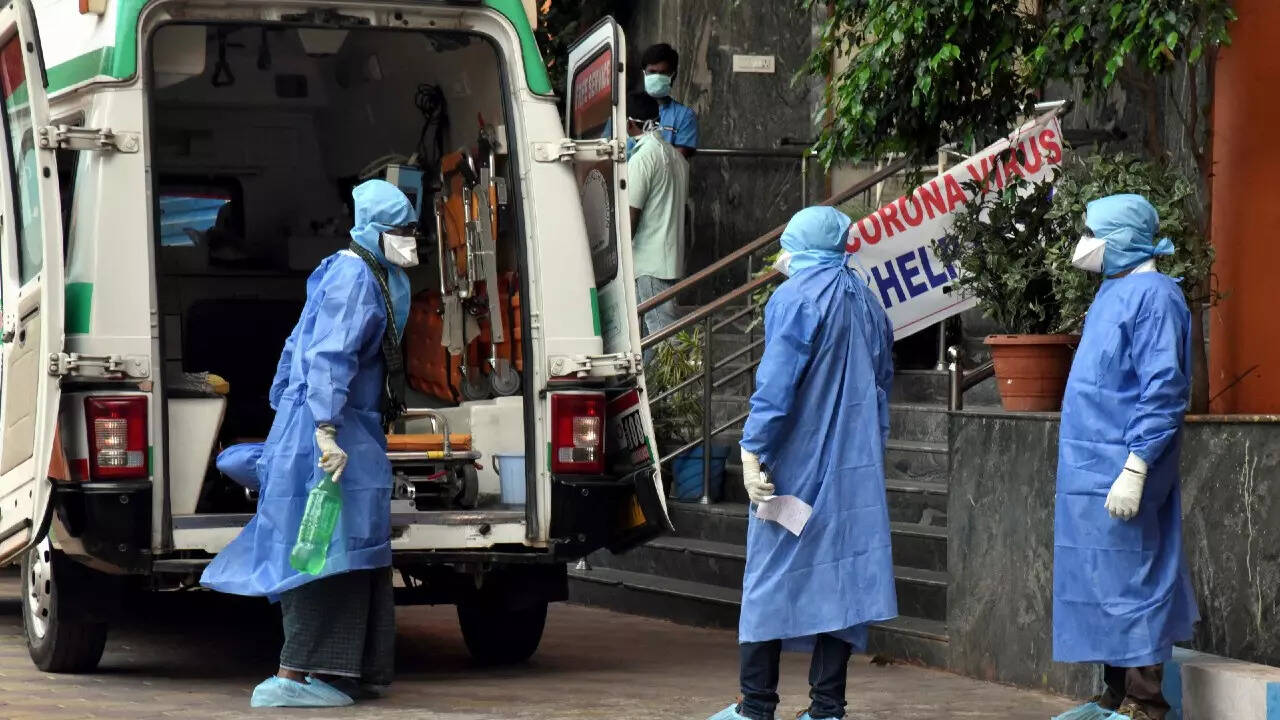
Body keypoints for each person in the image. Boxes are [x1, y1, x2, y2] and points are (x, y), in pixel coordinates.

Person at [201, 179, 420, 708]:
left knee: (339, 549)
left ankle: (326, 674)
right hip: (330, 431)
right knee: (329, 546)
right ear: (370, 229)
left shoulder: (376, 275)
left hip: (341, 429)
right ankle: (317, 674)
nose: (407, 239)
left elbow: (313, 351)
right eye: (398, 229)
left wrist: (315, 421)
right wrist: (319, 424)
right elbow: (325, 353)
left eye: (411, 229)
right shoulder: (355, 274)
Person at [709, 207, 897, 720]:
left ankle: (756, 706)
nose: (783, 256)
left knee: (768, 580)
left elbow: (776, 386)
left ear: (803, 247)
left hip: (792, 465)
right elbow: (882, 384)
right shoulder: (867, 303)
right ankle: (826, 708)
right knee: (843, 583)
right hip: (853, 469)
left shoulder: (795, 298)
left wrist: (752, 448)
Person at [1052, 194, 1199, 720]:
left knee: (1134, 577)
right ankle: (1115, 693)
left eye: (1094, 234)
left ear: (1124, 239)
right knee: (1102, 577)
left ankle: (1144, 701)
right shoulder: (1114, 291)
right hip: (1093, 465)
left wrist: (1137, 466)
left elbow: (1163, 389)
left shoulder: (1157, 297)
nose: (1085, 244)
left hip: (1125, 461)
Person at [627, 90, 689, 346]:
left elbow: (631, 214)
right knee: (651, 341)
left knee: (666, 342)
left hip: (649, 264)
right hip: (669, 261)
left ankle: (686, 376)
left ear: (629, 124)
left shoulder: (642, 159)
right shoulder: (675, 156)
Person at [640, 42, 699, 157]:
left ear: (673, 76)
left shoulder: (684, 116)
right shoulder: (626, 109)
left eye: (663, 73)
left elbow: (678, 160)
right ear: (644, 73)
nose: (657, 77)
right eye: (652, 72)